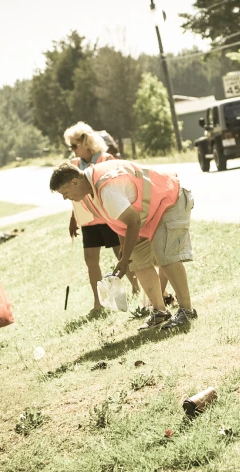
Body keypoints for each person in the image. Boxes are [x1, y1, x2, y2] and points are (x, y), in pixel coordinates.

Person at [50, 159, 196, 330]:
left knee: (165, 254)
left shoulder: (106, 189)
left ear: (75, 181)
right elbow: (118, 223)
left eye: (65, 192)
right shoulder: (87, 194)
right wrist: (126, 255)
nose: (65, 197)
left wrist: (125, 257)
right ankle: (159, 311)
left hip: (169, 198)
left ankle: (187, 310)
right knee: (137, 260)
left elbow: (132, 221)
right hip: (147, 213)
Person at [63, 122, 141, 311]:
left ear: (85, 142)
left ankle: (136, 286)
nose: (72, 150)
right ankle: (98, 302)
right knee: (90, 259)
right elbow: (74, 196)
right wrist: (74, 218)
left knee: (120, 252)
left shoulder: (106, 159)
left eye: (74, 145)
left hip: (109, 216)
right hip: (88, 220)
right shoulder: (74, 166)